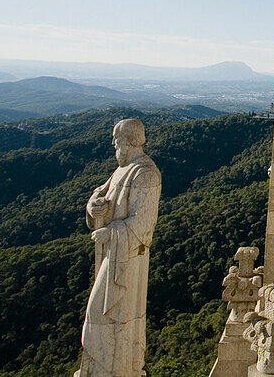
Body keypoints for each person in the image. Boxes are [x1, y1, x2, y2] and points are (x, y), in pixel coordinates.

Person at [75, 118, 162, 377]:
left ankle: (115, 369)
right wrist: (94, 207)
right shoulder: (121, 170)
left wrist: (110, 233)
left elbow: (143, 224)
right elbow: (99, 195)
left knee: (104, 315)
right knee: (99, 317)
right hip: (111, 256)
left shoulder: (146, 173)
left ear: (130, 140)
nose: (114, 144)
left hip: (126, 263)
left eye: (117, 139)